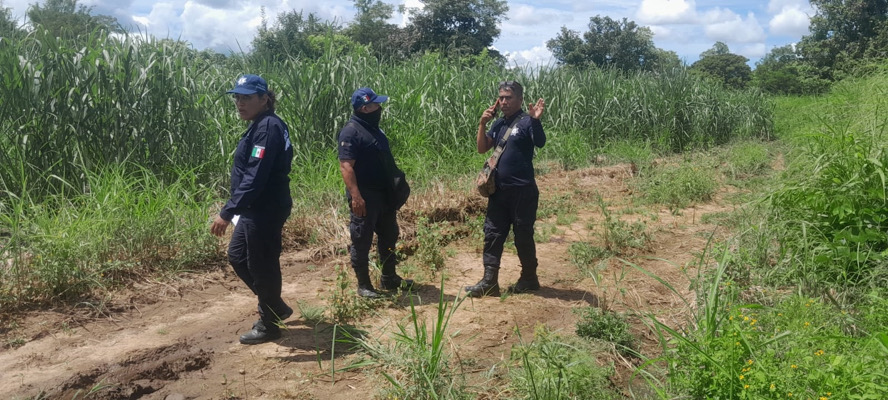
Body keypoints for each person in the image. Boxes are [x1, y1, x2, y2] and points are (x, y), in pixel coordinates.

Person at [210, 74, 294, 344]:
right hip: (253, 207)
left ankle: (269, 323)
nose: (239, 103)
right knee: (238, 257)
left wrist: (227, 211)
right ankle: (275, 306)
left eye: (246, 97)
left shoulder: (268, 127)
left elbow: (255, 176)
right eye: (237, 97)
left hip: (265, 208)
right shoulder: (261, 125)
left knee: (262, 266)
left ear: (264, 99)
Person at [465, 81, 546, 297]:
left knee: (523, 235)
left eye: (508, 98)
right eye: (501, 97)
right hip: (499, 192)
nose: (503, 102)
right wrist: (482, 123)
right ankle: (489, 282)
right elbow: (482, 148)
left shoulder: (527, 121)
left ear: (519, 99)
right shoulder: (499, 124)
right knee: (492, 233)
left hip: (523, 191)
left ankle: (529, 278)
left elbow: (540, 142)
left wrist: (536, 120)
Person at [337, 87, 413, 298]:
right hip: (365, 196)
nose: (380, 108)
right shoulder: (351, 131)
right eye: (376, 105)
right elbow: (346, 166)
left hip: (384, 195)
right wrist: (356, 196)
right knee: (362, 239)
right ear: (365, 108)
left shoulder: (374, 129)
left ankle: (389, 278)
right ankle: (364, 286)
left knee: (389, 236)